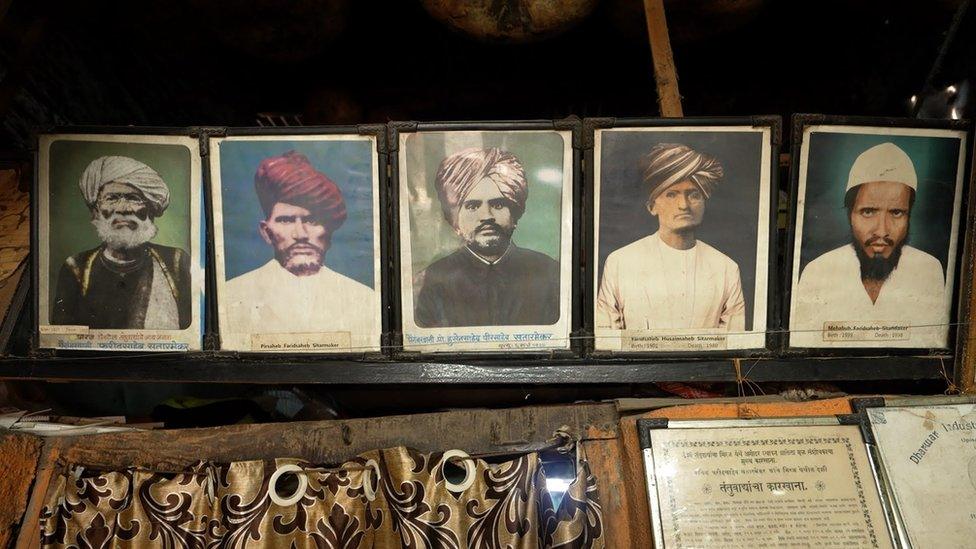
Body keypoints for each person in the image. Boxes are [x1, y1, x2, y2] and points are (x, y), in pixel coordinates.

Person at [792, 142, 947, 346]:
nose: (882, 231)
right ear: (850, 214)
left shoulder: (929, 270)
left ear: (909, 215)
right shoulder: (817, 272)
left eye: (896, 212)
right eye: (868, 211)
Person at [223, 150, 377, 340]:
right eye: (286, 220)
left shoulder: (364, 300)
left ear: (328, 232)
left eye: (312, 221)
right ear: (266, 232)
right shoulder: (230, 297)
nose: (301, 234)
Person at [596, 143, 745, 331]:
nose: (683, 205)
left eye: (693, 195)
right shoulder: (620, 262)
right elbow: (606, 338)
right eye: (671, 194)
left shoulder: (726, 269)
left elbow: (734, 345)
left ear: (704, 202)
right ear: (652, 206)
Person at [414, 147, 560, 328]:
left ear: (514, 212)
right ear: (454, 218)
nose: (487, 216)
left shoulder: (549, 272)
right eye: (472, 206)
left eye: (498, 204)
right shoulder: (434, 279)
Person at [52, 156, 191, 329]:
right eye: (111, 198)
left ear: (150, 209)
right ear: (96, 211)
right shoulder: (76, 268)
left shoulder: (176, 262)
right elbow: (65, 341)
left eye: (133, 198)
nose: (123, 208)